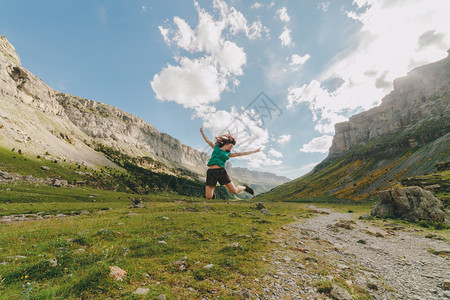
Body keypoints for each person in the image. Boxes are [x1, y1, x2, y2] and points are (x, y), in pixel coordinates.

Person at [200, 127, 261, 199]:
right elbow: (208, 141)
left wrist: (254, 151)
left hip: (221, 172)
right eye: (231, 146)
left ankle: (244, 187)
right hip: (211, 172)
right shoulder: (216, 147)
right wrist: (202, 132)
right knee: (208, 197)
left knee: (234, 191)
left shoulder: (228, 154)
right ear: (227, 143)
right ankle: (212, 194)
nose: (231, 148)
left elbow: (241, 153)